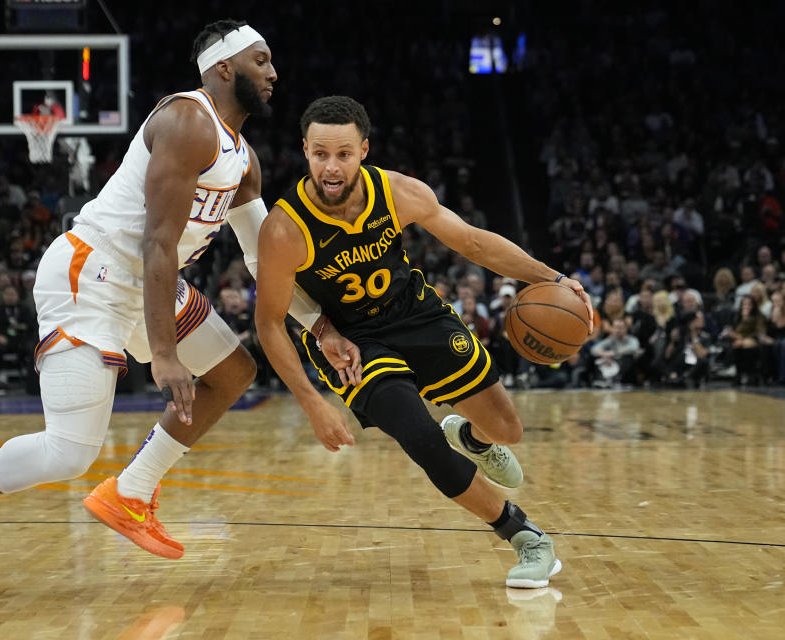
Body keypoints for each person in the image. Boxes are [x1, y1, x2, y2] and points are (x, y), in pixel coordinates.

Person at [0, 20, 355, 570]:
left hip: (149, 284)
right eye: (261, 61)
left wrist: (320, 328)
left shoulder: (244, 161)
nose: (274, 72)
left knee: (232, 372)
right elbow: (158, 242)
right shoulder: (187, 120)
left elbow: (264, 263)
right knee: (70, 452)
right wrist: (163, 354)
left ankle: (132, 492)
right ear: (225, 68)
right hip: (93, 274)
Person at [254, 96, 592, 588]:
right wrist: (312, 403)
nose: (331, 166)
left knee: (508, 429)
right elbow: (268, 322)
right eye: (320, 153)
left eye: (343, 154)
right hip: (353, 342)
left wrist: (553, 277)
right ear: (304, 150)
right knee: (421, 439)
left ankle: (471, 436)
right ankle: (527, 537)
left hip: (416, 313)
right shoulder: (284, 229)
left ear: (363, 150)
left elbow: (474, 243)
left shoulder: (397, 192)